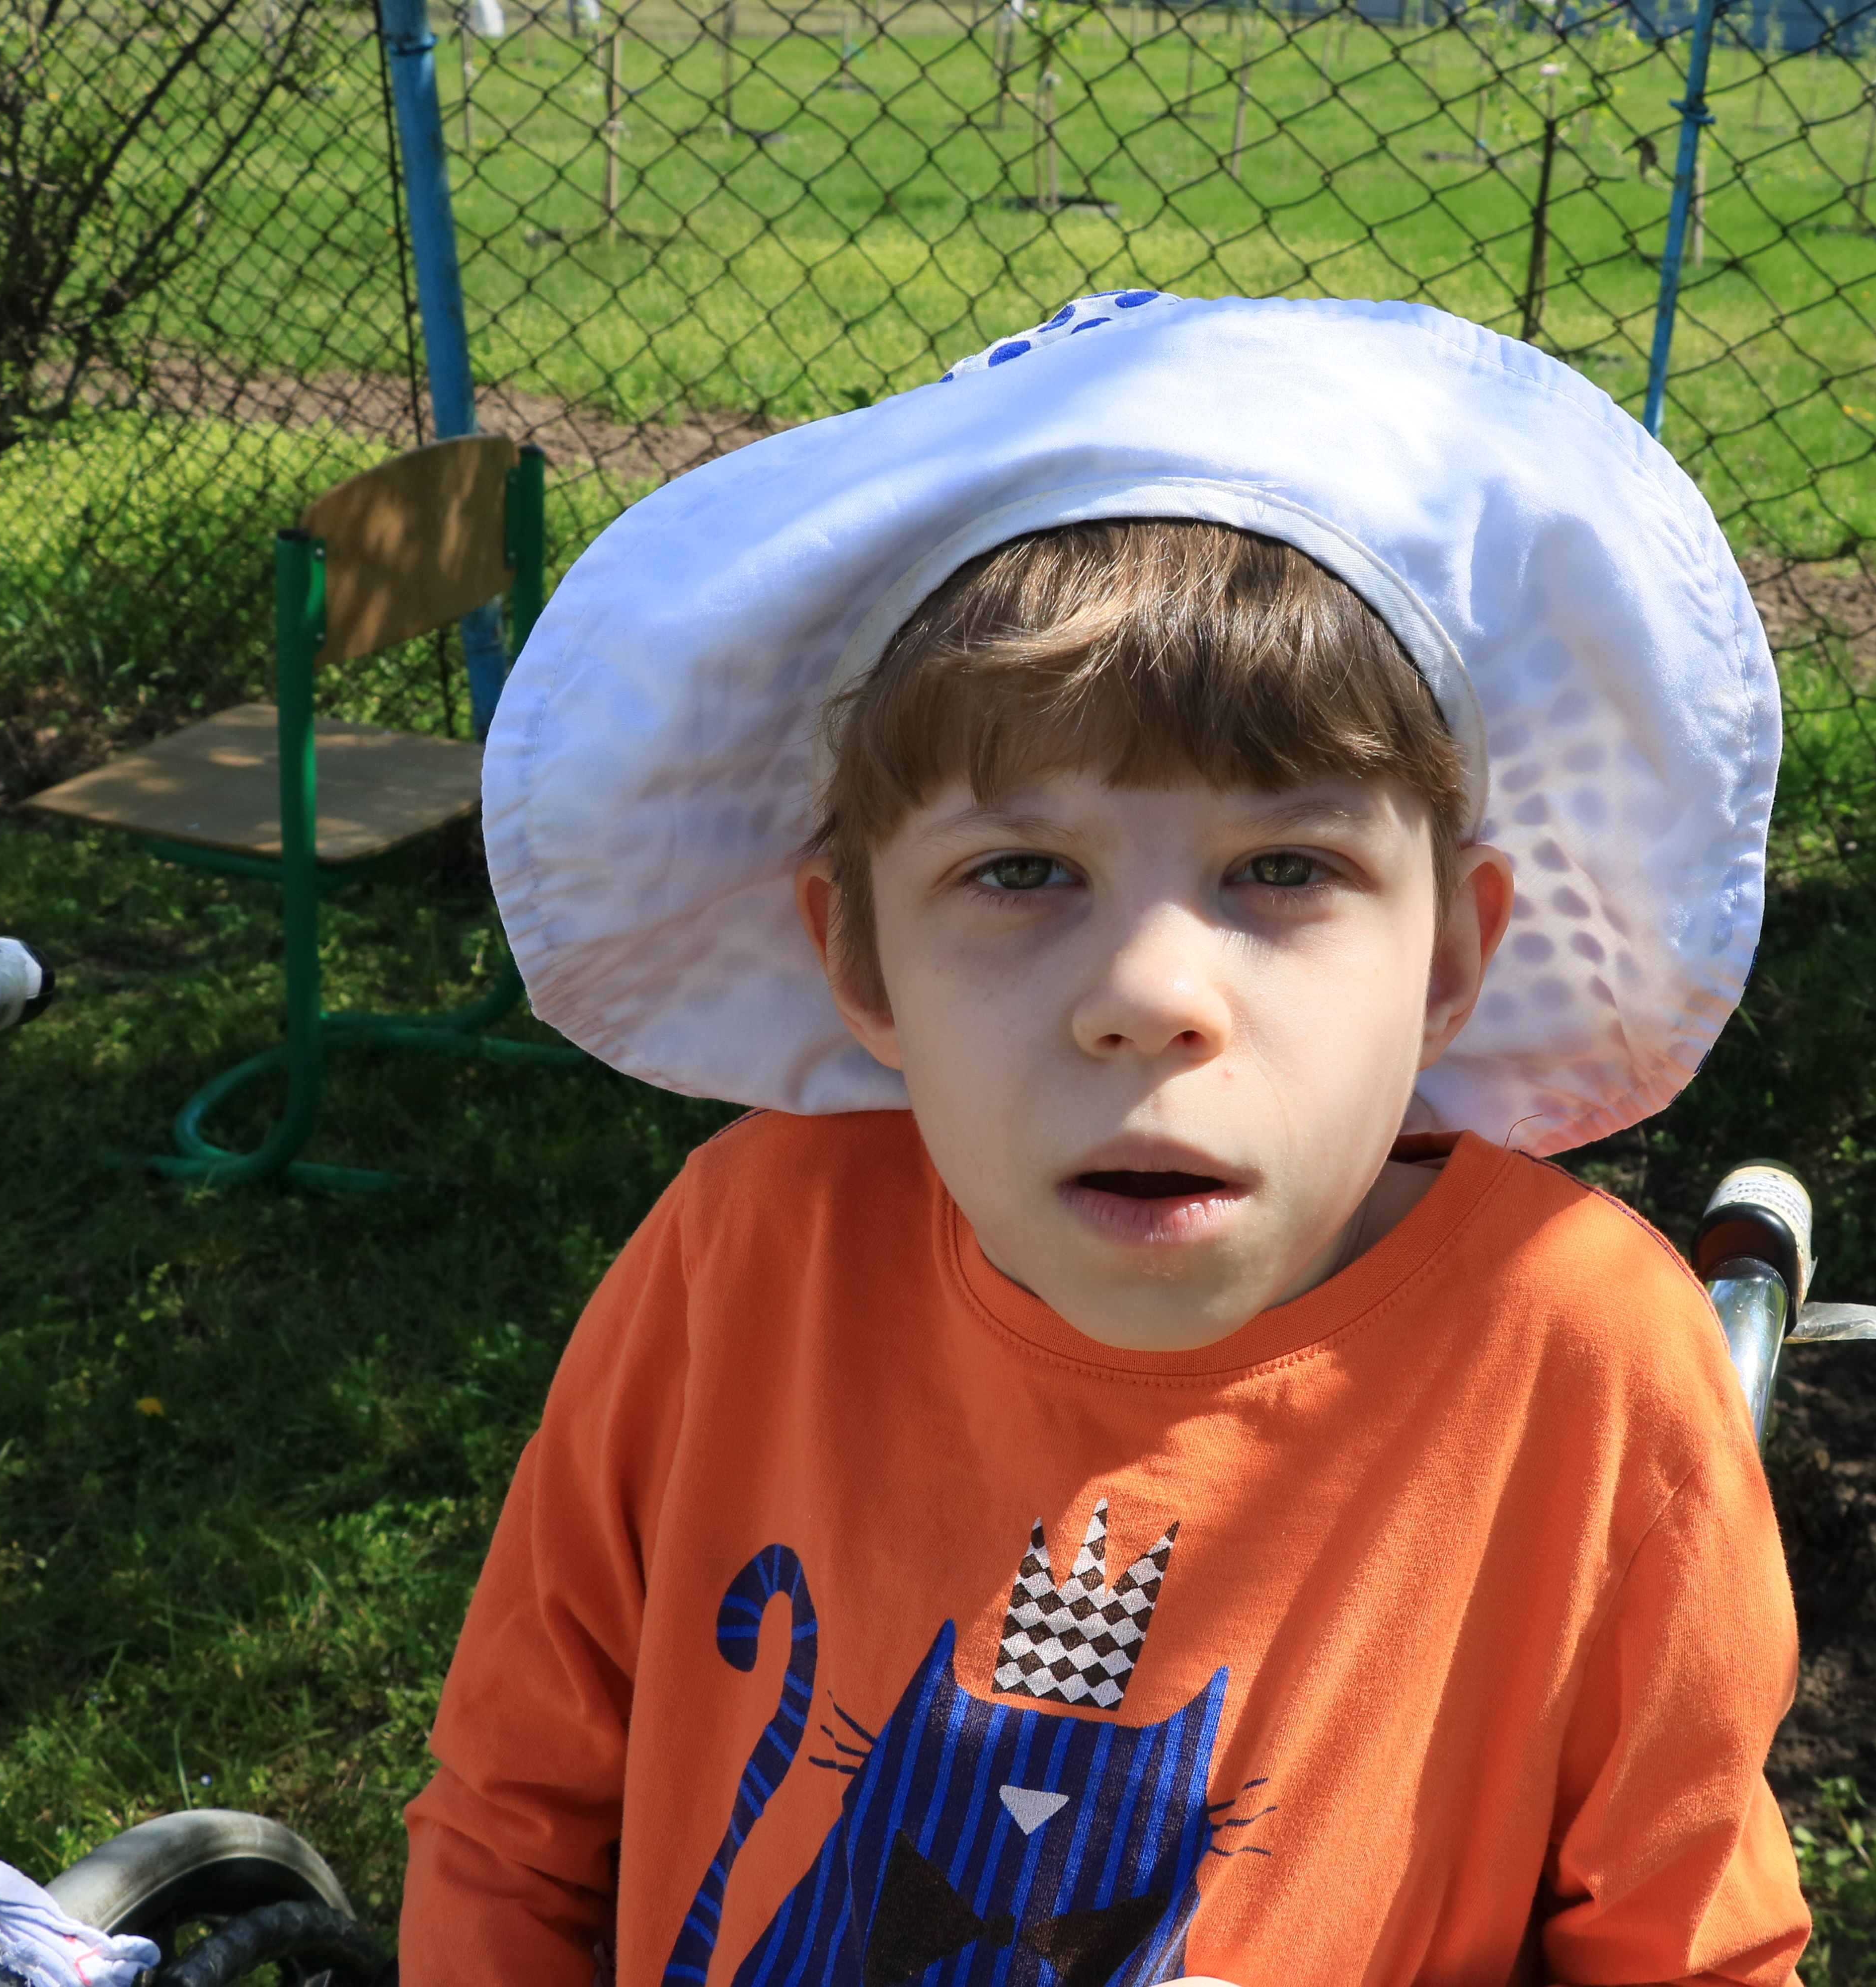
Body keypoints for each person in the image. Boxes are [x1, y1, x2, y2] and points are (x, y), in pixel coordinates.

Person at [406, 291, 1802, 1986]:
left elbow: (1691, 1950)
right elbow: (513, 1824)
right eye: (1021, 872)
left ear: (1451, 958)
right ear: (861, 957)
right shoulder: (743, 1252)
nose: (1148, 995)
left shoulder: (1581, 1360)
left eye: (1282, 869)